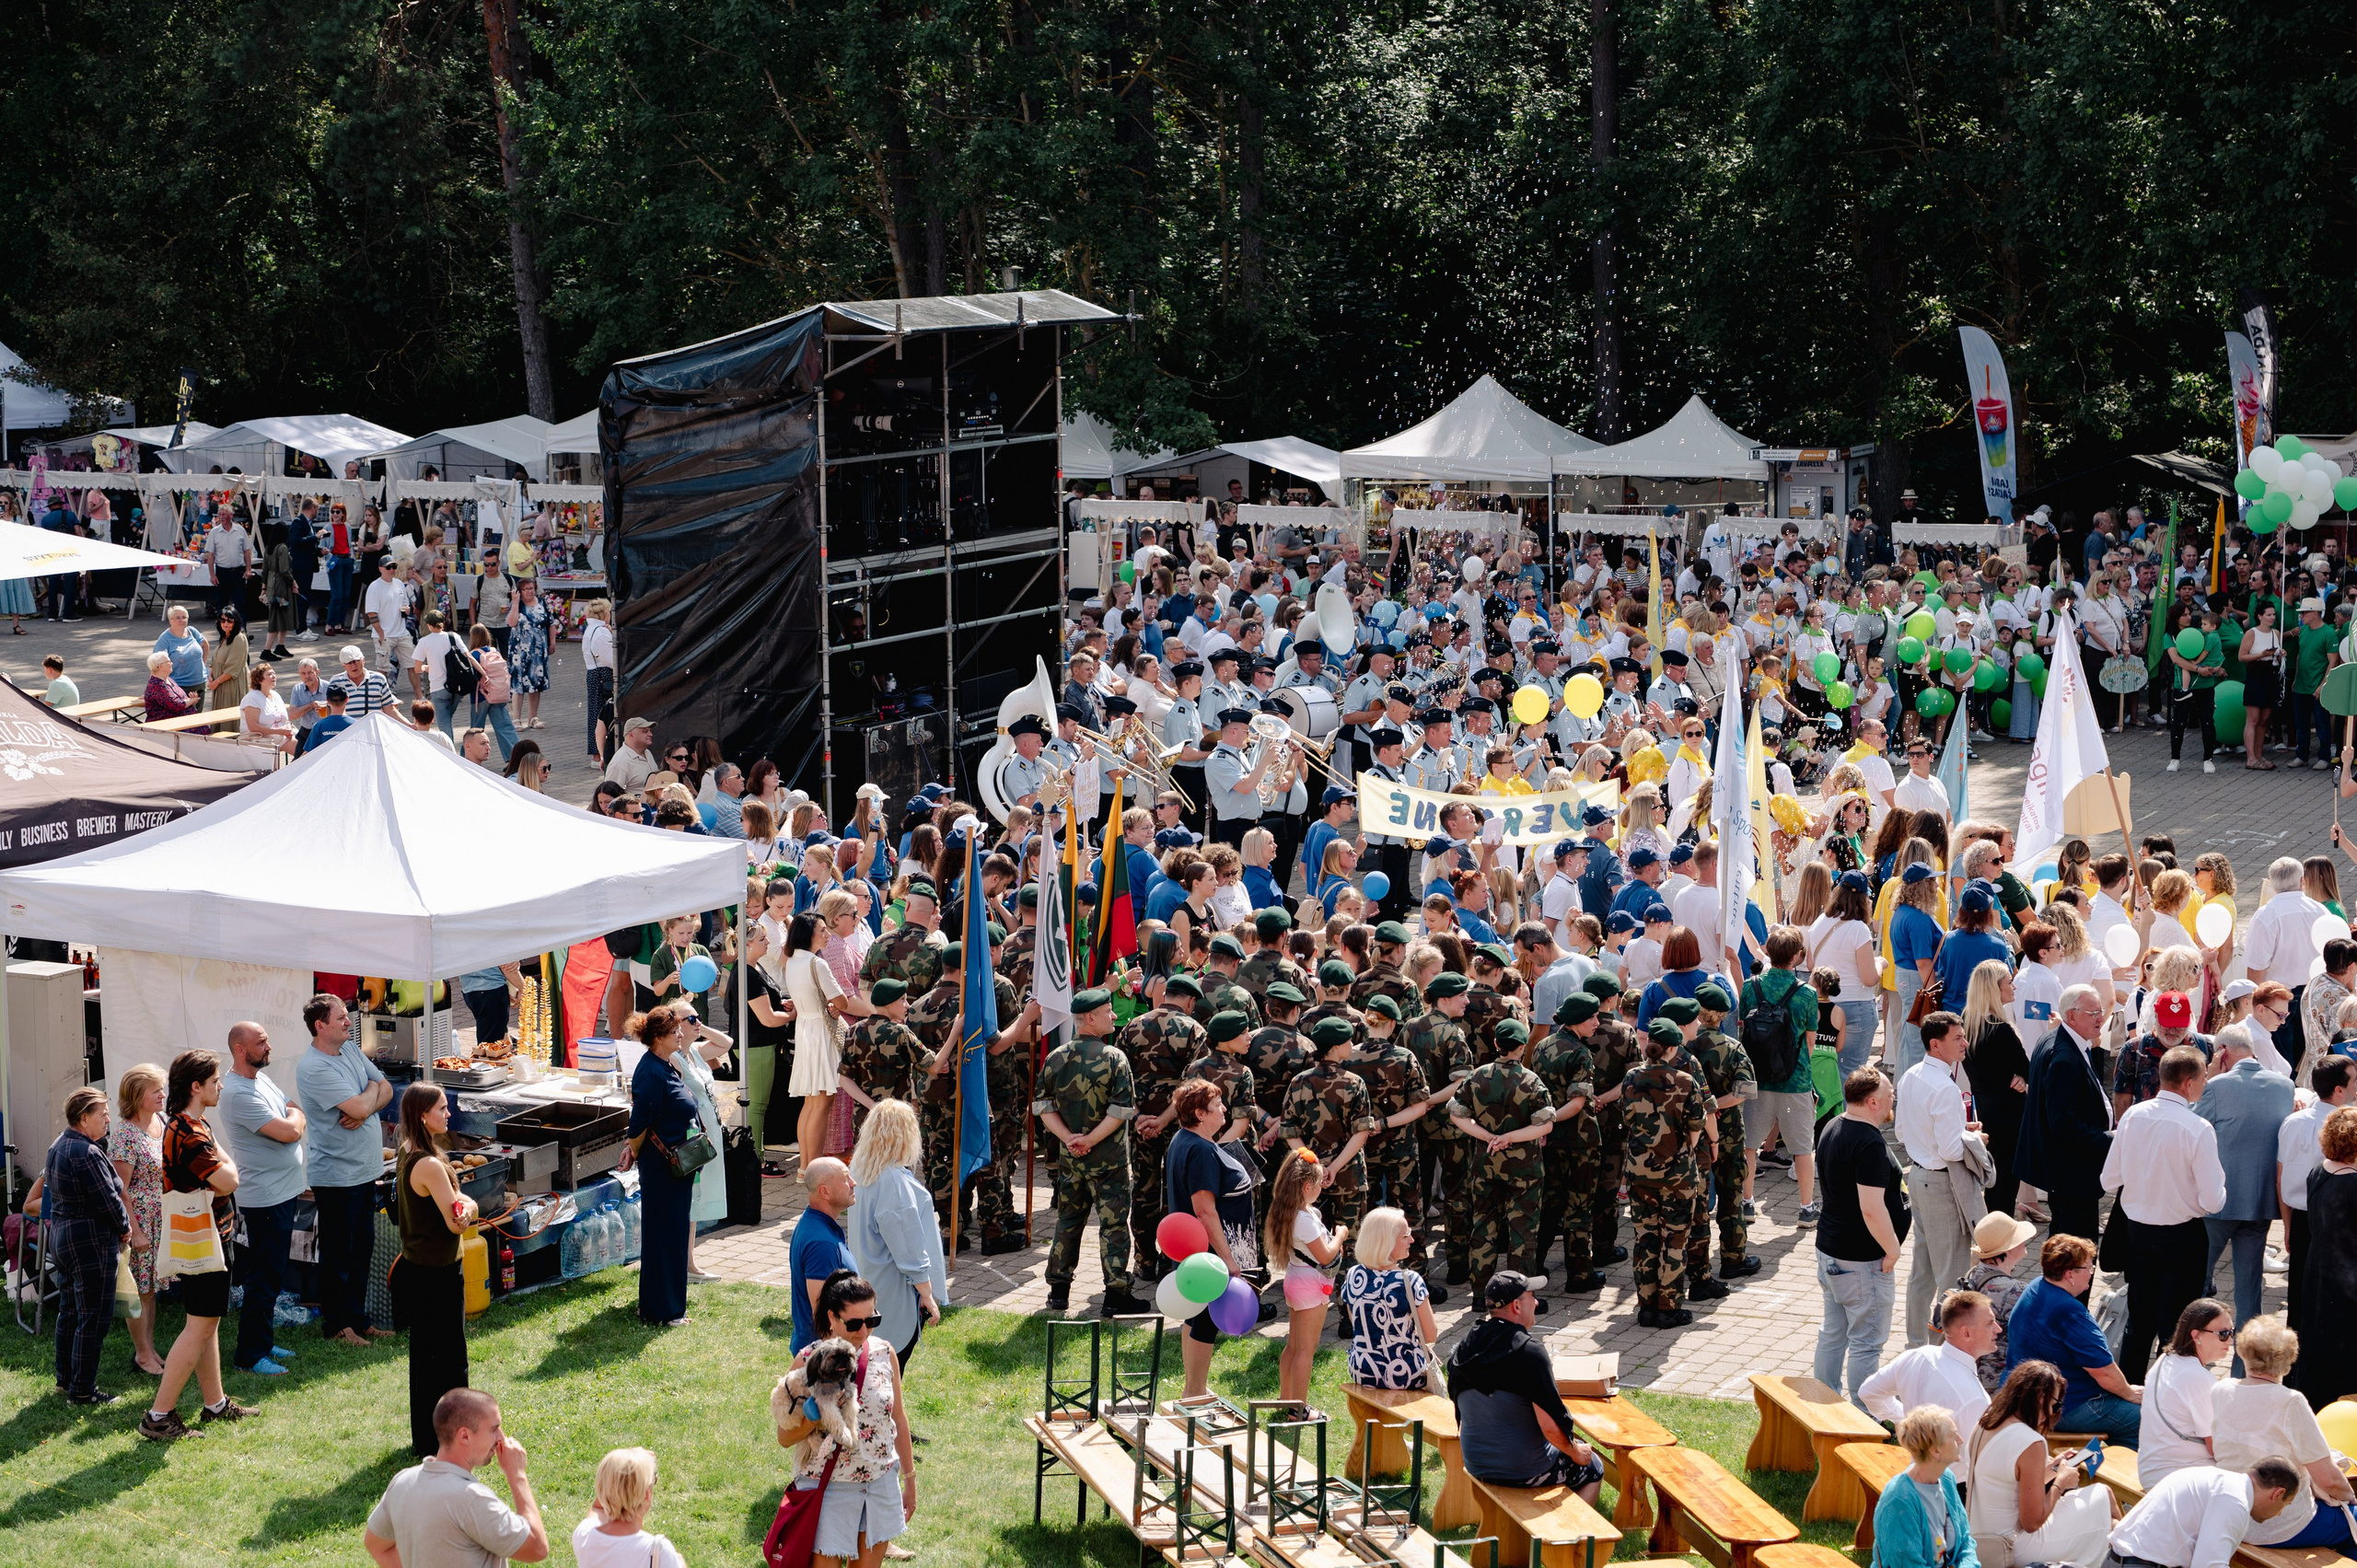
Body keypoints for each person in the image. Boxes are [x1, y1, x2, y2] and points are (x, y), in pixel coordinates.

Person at [141, 1051, 258, 1441]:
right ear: (196, 1086)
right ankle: (158, 1416)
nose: (221, 1085)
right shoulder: (189, 1133)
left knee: (205, 1323)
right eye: (215, 1080)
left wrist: (228, 1168)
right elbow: (229, 1181)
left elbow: (225, 1172)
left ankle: (215, 1404)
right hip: (203, 1238)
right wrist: (231, 1168)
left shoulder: (191, 1123)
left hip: (207, 1236)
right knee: (199, 1326)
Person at [775, 1272, 917, 1568]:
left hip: (880, 1485)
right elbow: (784, 1437)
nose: (864, 1331)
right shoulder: (808, 1360)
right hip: (829, 1488)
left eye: (872, 1320)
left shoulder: (884, 1353)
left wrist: (909, 1480)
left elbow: (899, 1421)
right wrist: (816, 1417)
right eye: (854, 1323)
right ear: (832, 1317)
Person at [2101, 1044, 2224, 1381]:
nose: (2205, 1084)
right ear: (2188, 1083)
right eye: (2202, 1078)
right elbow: (2214, 1201)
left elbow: (2109, 1178)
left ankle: (2130, 1394)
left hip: (2137, 1232)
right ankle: (2170, 1394)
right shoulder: (2197, 1128)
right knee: (2179, 1327)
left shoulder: (2133, 1117)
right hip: (2182, 1236)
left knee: (2139, 1321)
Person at [1445, 1271, 1607, 1504]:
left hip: (1475, 1463)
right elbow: (1551, 1428)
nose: (1537, 1302)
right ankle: (1570, 1537)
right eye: (1532, 1296)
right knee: (1593, 1466)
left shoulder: (1464, 1346)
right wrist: (1576, 1453)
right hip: (1523, 1469)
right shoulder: (1530, 1353)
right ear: (1517, 1307)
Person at [294, 992, 393, 1349]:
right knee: (339, 1254)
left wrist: (367, 1100)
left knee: (361, 1248)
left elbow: (386, 1089)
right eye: (341, 1018)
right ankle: (337, 1324)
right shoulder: (314, 1067)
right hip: (337, 1176)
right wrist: (367, 1099)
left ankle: (359, 1319)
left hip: (366, 1170)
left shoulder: (349, 1049)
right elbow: (362, 1101)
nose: (349, 1021)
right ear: (321, 1026)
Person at [2209, 1315, 2356, 1547]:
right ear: (2287, 1361)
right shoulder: (2290, 1401)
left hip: (2232, 1516)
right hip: (2279, 1525)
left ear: (2243, 1352)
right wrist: (2352, 1499)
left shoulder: (2220, 1390)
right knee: (2351, 1520)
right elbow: (2328, 1479)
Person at [1038, 988, 1141, 1318]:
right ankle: (1115, 1296)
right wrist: (1092, 1140)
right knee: (1113, 1227)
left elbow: (1042, 1107)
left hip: (1071, 1162)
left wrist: (1071, 1139)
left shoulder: (1056, 1057)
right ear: (1091, 1018)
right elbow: (1121, 1110)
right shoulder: (1114, 1058)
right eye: (1109, 1011)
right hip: (1108, 1162)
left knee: (1068, 1221)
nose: (1114, 1016)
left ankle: (1058, 1293)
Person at [363, 1388, 551, 1567]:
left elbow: (376, 1546)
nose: (501, 1438)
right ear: (465, 1436)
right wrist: (517, 1475)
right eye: (494, 1429)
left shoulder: (402, 1483)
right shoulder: (471, 1499)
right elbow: (537, 1548)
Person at [2189, 1023, 2292, 1348]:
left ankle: (2192, 1353)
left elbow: (2190, 1125)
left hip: (2218, 1203)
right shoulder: (2284, 1086)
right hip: (2261, 1203)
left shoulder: (2216, 1087)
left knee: (2198, 1282)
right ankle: (2245, 1367)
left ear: (2222, 1052)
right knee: (2249, 1292)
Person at [1965, 1360, 2120, 1568]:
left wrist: (2052, 1469)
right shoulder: (2030, 1441)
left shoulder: (1986, 1422)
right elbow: (2032, 1522)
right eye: (2056, 1404)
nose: (2055, 1412)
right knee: (2103, 1496)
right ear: (2040, 1398)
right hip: (2014, 1545)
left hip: (1982, 1539)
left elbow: (2004, 1482)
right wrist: (2060, 1484)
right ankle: (2130, 1555)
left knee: (2108, 1522)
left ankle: (2124, 1554)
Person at [215, 1019, 306, 1376]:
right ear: (241, 1049)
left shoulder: (259, 1078)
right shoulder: (238, 1093)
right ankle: (250, 1356)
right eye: (262, 1042)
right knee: (263, 1278)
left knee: (272, 1274)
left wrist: (294, 1117)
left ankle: (263, 1342)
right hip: (265, 1198)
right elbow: (289, 1130)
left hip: (281, 1192)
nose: (269, 1047)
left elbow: (292, 1105)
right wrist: (296, 1121)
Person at [1162, 1075, 1260, 1396]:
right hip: (1211, 1253)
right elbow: (1204, 1211)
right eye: (1217, 1105)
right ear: (1200, 1114)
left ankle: (1192, 1389)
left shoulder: (1183, 1140)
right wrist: (1229, 1260)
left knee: (1193, 1318)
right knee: (1204, 1322)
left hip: (1195, 1252)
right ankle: (1195, 1394)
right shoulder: (1201, 1151)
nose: (1224, 1110)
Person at [395, 1082, 478, 1457]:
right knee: (449, 1361)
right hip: (440, 1273)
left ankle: (426, 1440)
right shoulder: (429, 1163)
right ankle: (451, 1440)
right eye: (442, 1109)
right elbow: (456, 1222)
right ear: (423, 1115)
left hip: (418, 1268)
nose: (449, 1114)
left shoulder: (408, 1150)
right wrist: (472, 1206)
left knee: (424, 1359)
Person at [1816, 1067, 1907, 1405]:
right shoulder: (1868, 1143)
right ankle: (1865, 1412)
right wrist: (1893, 1249)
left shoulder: (1833, 1125)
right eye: (1888, 1095)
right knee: (1866, 1342)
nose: (1892, 1098)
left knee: (1833, 1334)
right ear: (1872, 1102)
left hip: (1830, 1251)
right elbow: (1871, 1209)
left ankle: (1824, 1402)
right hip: (1861, 1261)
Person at [2006, 1232, 2142, 1446]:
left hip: (2024, 1397)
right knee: (2144, 1420)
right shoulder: (2070, 1312)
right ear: (2070, 1274)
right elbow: (2104, 1371)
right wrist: (2129, 1393)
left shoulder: (2036, 1286)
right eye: (2088, 1267)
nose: (2091, 1273)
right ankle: (2122, 1477)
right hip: (2066, 1406)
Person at [1899, 1011, 1981, 1350]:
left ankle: (1917, 1346)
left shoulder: (1910, 1076)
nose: (1964, 1043)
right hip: (1941, 1184)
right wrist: (1975, 1140)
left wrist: (1959, 1131)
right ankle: (1939, 1354)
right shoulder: (1946, 1088)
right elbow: (1950, 1149)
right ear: (1936, 1045)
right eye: (1957, 1038)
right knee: (1951, 1275)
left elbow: (1903, 1131)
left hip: (1918, 1177)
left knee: (1923, 1272)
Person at [44, 1086, 130, 1406]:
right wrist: (124, 1228)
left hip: (62, 1238)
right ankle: (82, 1391)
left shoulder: (59, 1145)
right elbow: (108, 1200)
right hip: (89, 1241)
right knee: (92, 1316)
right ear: (84, 1118)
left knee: (70, 1311)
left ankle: (64, 1380)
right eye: (103, 1114)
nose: (108, 1119)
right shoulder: (87, 1153)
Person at [845, 1099, 945, 1373]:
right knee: (885, 1380)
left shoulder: (860, 1169)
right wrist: (927, 1294)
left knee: (867, 1376)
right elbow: (908, 1249)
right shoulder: (892, 1181)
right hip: (893, 1295)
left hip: (868, 1281)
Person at [621, 1004, 704, 1327]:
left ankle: (668, 1306)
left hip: (675, 1166)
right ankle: (662, 1310)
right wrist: (633, 1150)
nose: (681, 1034)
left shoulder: (665, 1063)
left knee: (672, 1233)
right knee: (664, 1236)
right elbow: (639, 1121)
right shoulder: (651, 1071)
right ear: (658, 1037)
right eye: (675, 1031)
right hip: (662, 1167)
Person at [2015, 985, 2115, 1244]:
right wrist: (2109, 1138)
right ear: (2072, 1017)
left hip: (2066, 1172)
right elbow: (2063, 1124)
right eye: (2093, 1013)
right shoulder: (2063, 1058)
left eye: (2101, 1011)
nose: (2101, 1019)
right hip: (2073, 1174)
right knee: (2077, 1249)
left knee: (2062, 1244)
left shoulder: (2059, 1039)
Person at [1861, 1291, 1997, 1471]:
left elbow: (1868, 1392)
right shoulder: (1974, 1399)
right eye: (1990, 1323)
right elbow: (1981, 1464)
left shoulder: (1918, 1355)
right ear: (1966, 1333)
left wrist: (1909, 1422)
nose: (1998, 1329)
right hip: (1952, 1491)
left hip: (1917, 1474)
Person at [784, 910, 866, 1178]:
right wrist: (833, 1004)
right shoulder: (816, 963)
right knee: (821, 1103)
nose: (827, 934)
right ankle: (812, 1169)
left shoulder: (793, 961)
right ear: (809, 934)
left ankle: (805, 1166)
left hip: (807, 1029)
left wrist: (830, 1004)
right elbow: (841, 1001)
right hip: (821, 1032)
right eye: (822, 930)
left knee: (811, 1103)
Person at [2105, 1458, 2300, 1568]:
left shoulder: (2217, 1479)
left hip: (2116, 1561)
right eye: (2286, 1505)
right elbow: (2209, 1566)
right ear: (2278, 1493)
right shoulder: (2235, 1500)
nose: (2280, 1514)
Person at [2277, 1056, 2353, 1334]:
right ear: (2339, 1090)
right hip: (2335, 1222)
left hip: (2299, 1219)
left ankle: (2295, 1364)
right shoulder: (2345, 1129)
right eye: (2354, 1081)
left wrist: (2287, 1226)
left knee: (2297, 1294)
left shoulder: (2291, 1122)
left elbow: (2281, 1178)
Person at [1267, 1144, 1345, 1407]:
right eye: (1319, 1183)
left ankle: (1286, 1400)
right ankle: (1298, 1408)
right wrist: (1340, 1236)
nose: (1322, 1188)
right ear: (1306, 1187)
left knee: (1293, 1346)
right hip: (1311, 1286)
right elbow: (1325, 1256)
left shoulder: (1291, 1211)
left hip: (1296, 1280)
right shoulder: (1305, 1220)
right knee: (1306, 1352)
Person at [2293, 1106, 2357, 1405]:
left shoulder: (2318, 1172)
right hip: (2347, 1290)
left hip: (2318, 1278)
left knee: (2317, 1353)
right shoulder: (2353, 1185)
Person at [108, 1063, 168, 1376]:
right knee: (140, 1289)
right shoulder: (126, 1136)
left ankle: (149, 1349)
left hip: (159, 1217)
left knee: (151, 1289)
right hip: (140, 1220)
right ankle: (142, 1355)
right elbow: (120, 1190)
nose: (162, 1094)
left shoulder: (160, 1121)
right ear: (136, 1096)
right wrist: (133, 1230)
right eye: (155, 1089)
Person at [1340, 1205, 1440, 1392]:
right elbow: (1430, 1335)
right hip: (1405, 1373)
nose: (1411, 1239)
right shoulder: (1409, 1280)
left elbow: (1357, 1324)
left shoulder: (1353, 1274)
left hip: (1363, 1370)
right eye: (1405, 1236)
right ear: (1386, 1241)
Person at [1960, 958, 2030, 1218]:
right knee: (2005, 1176)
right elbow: (2027, 1067)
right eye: (2009, 983)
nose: (2014, 987)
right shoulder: (2000, 1030)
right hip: (2009, 1110)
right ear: (1993, 988)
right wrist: (2022, 1078)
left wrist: (2021, 1077)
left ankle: (1994, 1224)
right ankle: (2001, 1230)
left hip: (1985, 1106)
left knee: (1994, 1172)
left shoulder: (1968, 1021)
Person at [2140, 1299, 2233, 1491]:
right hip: (2176, 1478)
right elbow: (2217, 1448)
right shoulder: (2198, 1379)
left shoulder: (2166, 1359)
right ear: (2196, 1335)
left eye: (2232, 1332)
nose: (2230, 1341)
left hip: (2152, 1468)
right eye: (2223, 1334)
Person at [1868, 1406, 1976, 1568]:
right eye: (1953, 1435)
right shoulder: (1898, 1500)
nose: (1960, 1439)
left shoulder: (1946, 1479)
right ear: (1936, 1451)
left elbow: (1966, 1541)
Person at [792, 1156, 861, 1352]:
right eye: (846, 1178)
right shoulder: (820, 1244)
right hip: (826, 1358)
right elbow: (822, 1314)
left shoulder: (815, 1224)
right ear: (825, 1192)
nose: (853, 1183)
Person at [573, 1446, 684, 1568]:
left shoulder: (584, 1536)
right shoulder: (657, 1551)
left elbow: (597, 1508)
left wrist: (622, 1463)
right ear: (647, 1495)